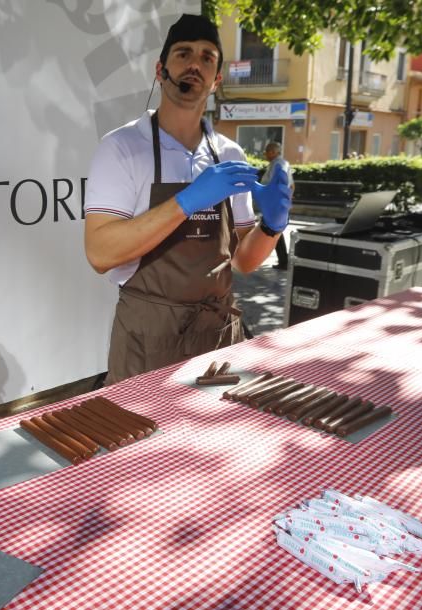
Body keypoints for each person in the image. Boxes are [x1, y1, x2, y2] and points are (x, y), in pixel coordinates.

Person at [84, 14, 291, 384]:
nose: (195, 64)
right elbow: (100, 253)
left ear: (216, 81)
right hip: (148, 336)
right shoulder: (122, 149)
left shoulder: (230, 155)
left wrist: (272, 226)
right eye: (183, 54)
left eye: (207, 57)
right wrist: (187, 202)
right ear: (160, 69)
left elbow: (244, 261)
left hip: (218, 338)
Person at [262, 141, 295, 269]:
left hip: (274, 204)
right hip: (279, 203)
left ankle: (283, 261)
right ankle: (283, 260)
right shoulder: (282, 163)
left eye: (267, 152)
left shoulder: (277, 165)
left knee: (273, 232)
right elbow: (292, 185)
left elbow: (272, 185)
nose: (265, 155)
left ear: (273, 152)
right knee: (275, 232)